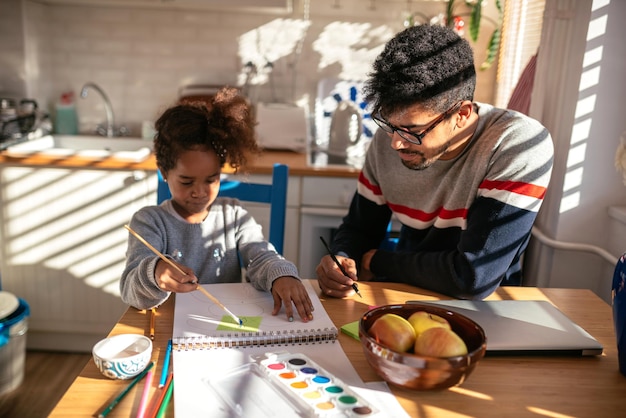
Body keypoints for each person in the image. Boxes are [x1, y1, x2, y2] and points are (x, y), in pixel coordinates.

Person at [316, 24, 554, 300]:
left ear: (461, 114)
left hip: (490, 311)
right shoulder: (390, 139)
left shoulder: (518, 144)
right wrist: (342, 258)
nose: (396, 143)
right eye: (389, 124)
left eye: (413, 131)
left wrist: (376, 261)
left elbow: (473, 277)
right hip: (401, 294)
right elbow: (360, 228)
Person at [120, 87, 314, 322]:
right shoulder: (149, 222)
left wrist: (281, 275)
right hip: (169, 328)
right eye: (187, 181)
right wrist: (155, 272)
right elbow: (131, 292)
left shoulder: (234, 215)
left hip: (224, 326)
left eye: (211, 179)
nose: (200, 192)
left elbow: (261, 256)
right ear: (164, 173)